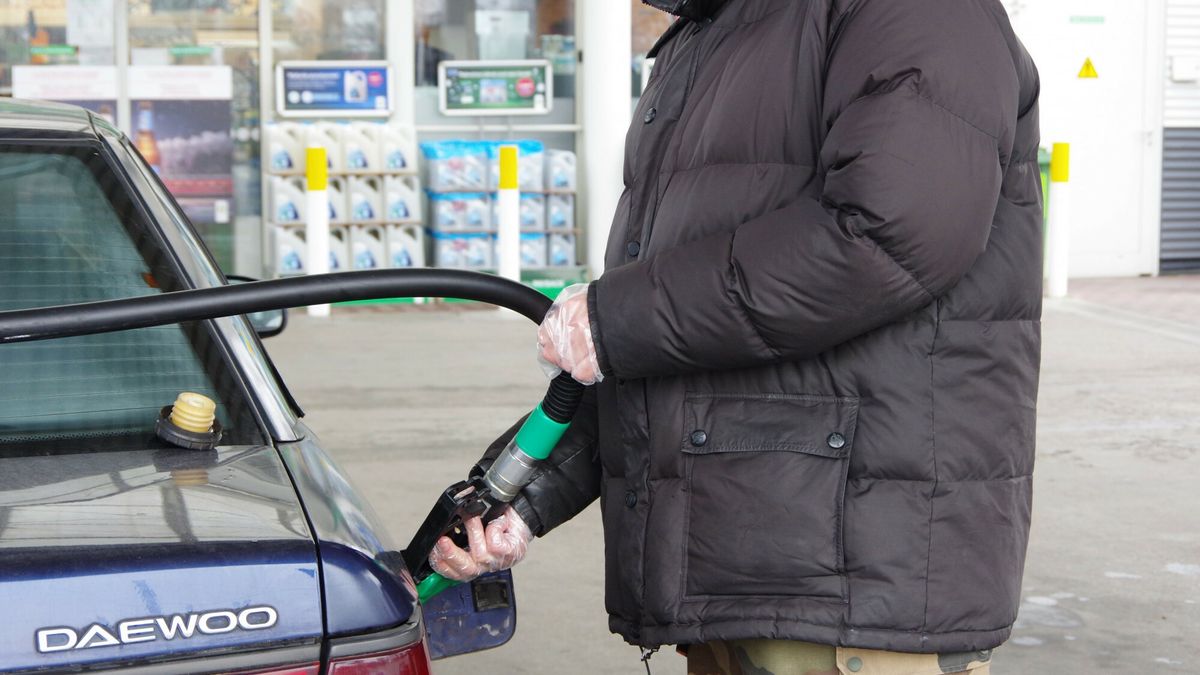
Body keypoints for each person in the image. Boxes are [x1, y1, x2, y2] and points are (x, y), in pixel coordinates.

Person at [429, 1, 1042, 673]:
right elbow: (683, 335)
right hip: (739, 574)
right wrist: (522, 490)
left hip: (852, 597)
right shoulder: (713, 33)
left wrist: (617, 319)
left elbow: (889, 230)